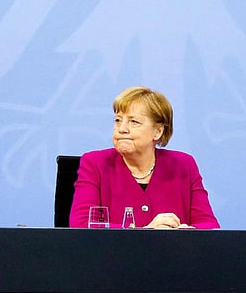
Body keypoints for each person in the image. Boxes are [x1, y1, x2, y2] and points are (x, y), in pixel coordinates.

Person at [70, 86, 219, 229]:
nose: (122, 129)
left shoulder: (184, 165)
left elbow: (207, 224)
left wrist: (186, 231)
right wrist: (146, 231)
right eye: (118, 120)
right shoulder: (95, 163)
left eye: (133, 122)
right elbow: (82, 224)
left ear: (158, 131)